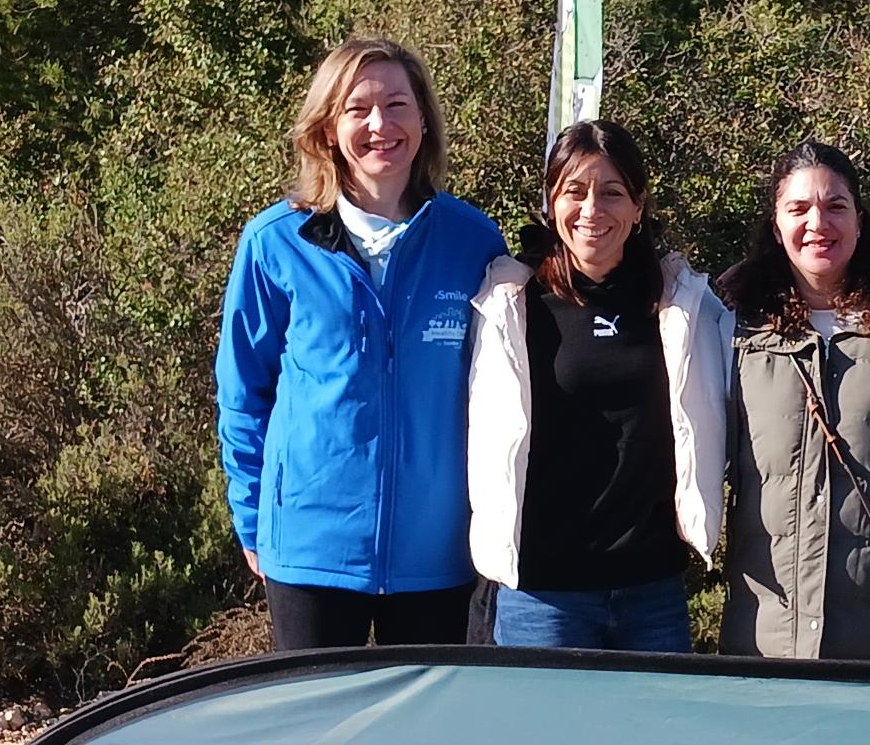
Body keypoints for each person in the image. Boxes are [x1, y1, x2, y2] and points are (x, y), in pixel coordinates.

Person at [216, 37, 505, 650]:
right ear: (327, 128)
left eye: (397, 105)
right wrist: (252, 520)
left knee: (427, 744)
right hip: (309, 550)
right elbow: (244, 396)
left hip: (437, 553)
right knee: (316, 739)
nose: (381, 125)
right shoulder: (276, 242)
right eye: (358, 109)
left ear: (423, 120)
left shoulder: (473, 242)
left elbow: (503, 400)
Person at [466, 120, 730, 651]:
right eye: (574, 191)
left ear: (638, 207)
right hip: (543, 595)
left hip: (651, 589)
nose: (592, 210)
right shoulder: (510, 303)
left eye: (612, 193)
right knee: (541, 738)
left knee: (654, 737)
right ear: (551, 201)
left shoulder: (682, 305)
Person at [717, 141, 870, 661]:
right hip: (763, 648)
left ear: (859, 221)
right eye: (798, 209)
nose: (817, 222)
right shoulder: (731, 326)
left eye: (835, 206)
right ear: (777, 228)